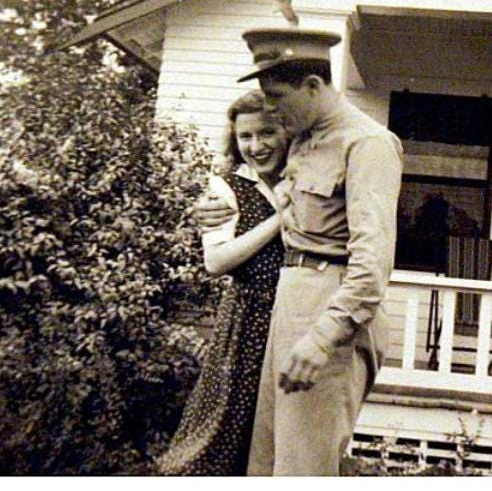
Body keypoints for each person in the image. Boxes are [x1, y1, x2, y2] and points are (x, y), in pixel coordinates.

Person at [236, 28, 403, 475]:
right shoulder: (306, 135)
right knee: (269, 463)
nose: (269, 109)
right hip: (290, 303)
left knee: (303, 469)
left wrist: (324, 337)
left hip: (330, 310)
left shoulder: (367, 144)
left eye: (276, 96)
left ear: (313, 86)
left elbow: (372, 262)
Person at [157, 90, 289, 475]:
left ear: (286, 133)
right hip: (248, 323)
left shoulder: (303, 179)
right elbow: (215, 261)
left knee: (279, 437)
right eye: (245, 136)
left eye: (266, 133)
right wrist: (279, 220)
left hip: (294, 319)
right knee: (226, 428)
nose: (256, 146)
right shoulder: (228, 187)